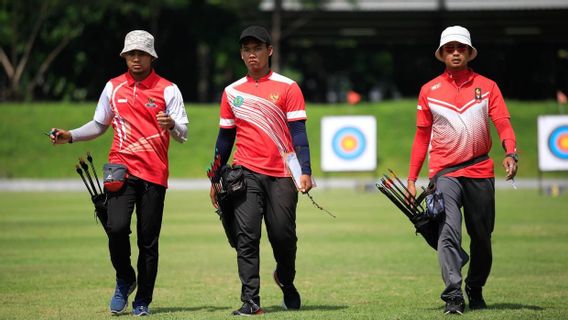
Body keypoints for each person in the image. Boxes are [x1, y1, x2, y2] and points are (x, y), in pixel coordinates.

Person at [48, 30, 189, 316]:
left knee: (148, 241)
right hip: (120, 169)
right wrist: (70, 135)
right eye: (131, 54)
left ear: (152, 57)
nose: (136, 59)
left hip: (154, 174)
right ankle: (125, 277)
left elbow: (183, 134)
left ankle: (142, 301)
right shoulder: (113, 87)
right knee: (115, 227)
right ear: (124, 56)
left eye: (141, 54)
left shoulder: (168, 89)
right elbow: (99, 124)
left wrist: (171, 124)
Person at [406, 26, 518, 315]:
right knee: (447, 233)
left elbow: (502, 121)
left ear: (469, 52)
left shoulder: (488, 86)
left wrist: (510, 151)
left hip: (480, 168)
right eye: (450, 48)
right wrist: (411, 178)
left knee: (481, 237)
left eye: (461, 48)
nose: (455, 52)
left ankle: (475, 286)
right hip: (445, 174)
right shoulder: (429, 91)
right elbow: (421, 137)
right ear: (442, 54)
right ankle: (453, 295)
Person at [209, 25, 313, 316]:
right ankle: (250, 300)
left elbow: (299, 134)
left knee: (282, 236)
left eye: (257, 48)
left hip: (282, 173)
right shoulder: (231, 92)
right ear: (241, 54)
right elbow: (225, 138)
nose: (251, 54)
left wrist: (305, 170)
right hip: (245, 173)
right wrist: (216, 175)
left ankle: (285, 278)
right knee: (247, 235)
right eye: (246, 49)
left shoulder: (288, 87)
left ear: (269, 51)